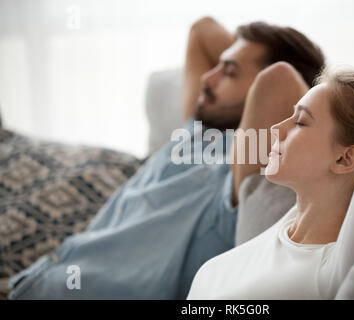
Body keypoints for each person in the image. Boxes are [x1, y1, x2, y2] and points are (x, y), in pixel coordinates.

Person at [7, 18, 325, 299]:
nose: (207, 79)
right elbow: (202, 30)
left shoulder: (245, 164)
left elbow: (279, 79)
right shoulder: (195, 132)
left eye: (228, 71)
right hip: (32, 281)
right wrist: (242, 57)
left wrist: (295, 80)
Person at [187, 68, 354, 299]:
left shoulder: (339, 267)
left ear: (345, 158)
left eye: (300, 122)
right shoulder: (292, 223)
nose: (277, 130)